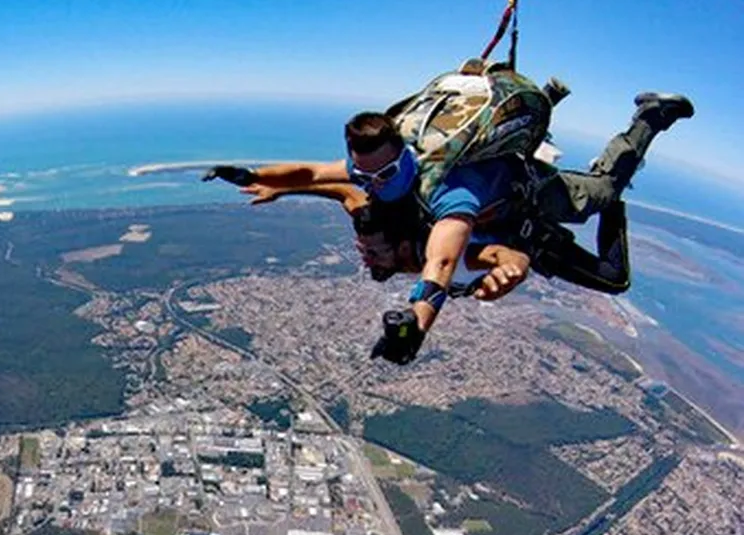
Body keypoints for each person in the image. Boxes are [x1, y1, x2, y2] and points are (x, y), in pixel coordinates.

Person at [205, 91, 694, 363]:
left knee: (604, 203)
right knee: (602, 266)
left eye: (388, 173)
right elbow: (324, 180)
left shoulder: (446, 201)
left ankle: (649, 117)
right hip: (504, 226)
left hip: (532, 202)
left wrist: (414, 330)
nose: (365, 256)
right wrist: (257, 178)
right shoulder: (372, 190)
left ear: (405, 157)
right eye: (369, 176)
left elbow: (443, 262)